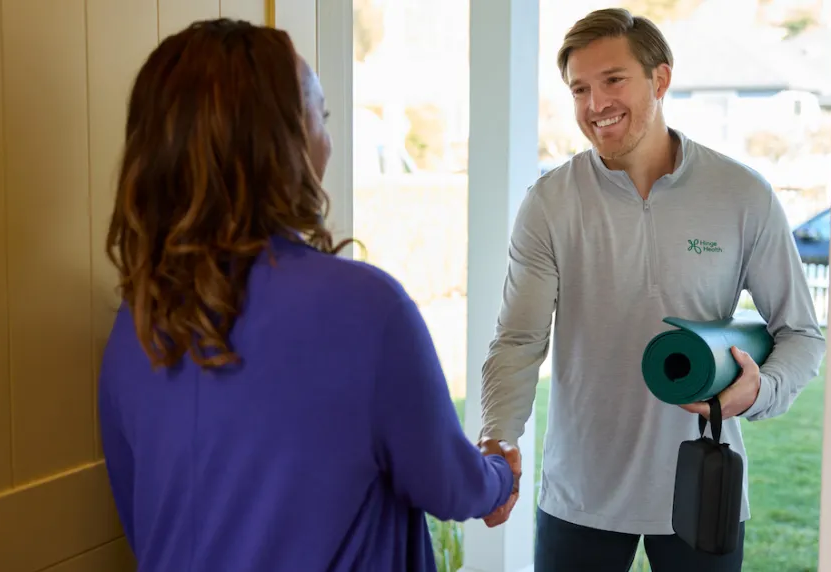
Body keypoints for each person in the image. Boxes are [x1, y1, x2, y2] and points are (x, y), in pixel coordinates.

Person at [98, 19, 518, 572]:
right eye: (320, 115)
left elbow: (142, 520)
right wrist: (498, 477)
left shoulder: (136, 322)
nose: (329, 137)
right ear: (283, 144)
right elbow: (445, 483)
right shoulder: (366, 310)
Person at [475, 8, 827, 572]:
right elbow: (518, 339)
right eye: (579, 89)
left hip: (705, 482)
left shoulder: (742, 194)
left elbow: (801, 334)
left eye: (613, 80)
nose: (595, 106)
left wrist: (759, 392)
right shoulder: (550, 202)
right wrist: (499, 437)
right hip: (581, 491)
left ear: (660, 79)